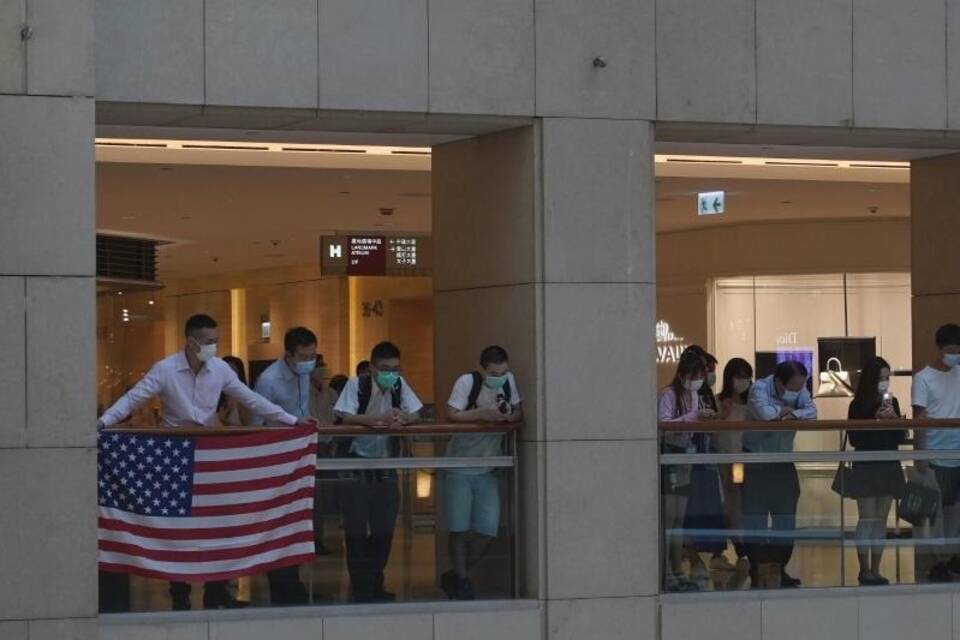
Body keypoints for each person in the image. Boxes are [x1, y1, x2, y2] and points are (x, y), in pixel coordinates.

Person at [97, 314, 314, 611]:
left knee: (217, 519)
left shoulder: (220, 369)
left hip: (212, 451)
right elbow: (135, 398)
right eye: (209, 341)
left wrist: (291, 420)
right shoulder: (165, 369)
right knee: (176, 525)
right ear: (191, 342)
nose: (214, 346)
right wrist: (103, 422)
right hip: (173, 455)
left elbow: (251, 399)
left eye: (216, 340)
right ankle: (179, 593)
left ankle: (215, 590)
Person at [334, 341, 423, 602]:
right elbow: (344, 415)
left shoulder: (398, 385)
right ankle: (361, 587)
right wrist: (374, 421)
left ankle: (374, 581)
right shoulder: (356, 385)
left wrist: (402, 418)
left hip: (385, 467)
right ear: (372, 368)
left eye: (396, 368)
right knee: (356, 532)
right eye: (385, 368)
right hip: (356, 466)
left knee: (384, 531)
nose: (391, 373)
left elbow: (416, 412)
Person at [441, 346, 523, 600]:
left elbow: (519, 411)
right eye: (494, 373)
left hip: (489, 466)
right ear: (483, 369)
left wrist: (509, 418)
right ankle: (463, 580)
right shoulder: (467, 382)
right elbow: (451, 414)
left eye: (503, 372)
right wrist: (481, 414)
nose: (499, 376)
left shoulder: (509, 382)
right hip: (459, 465)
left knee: (488, 530)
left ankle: (455, 574)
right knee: (459, 527)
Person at [251, 327, 321, 604]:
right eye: (304, 356)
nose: (309, 361)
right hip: (275, 458)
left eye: (313, 355)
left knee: (297, 521)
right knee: (277, 524)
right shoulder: (269, 381)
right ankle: (281, 584)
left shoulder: (305, 375)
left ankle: (295, 581)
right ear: (289, 355)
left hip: (300, 456)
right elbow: (256, 425)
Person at [743, 360, 816, 588]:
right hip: (757, 461)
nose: (798, 392)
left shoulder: (798, 387)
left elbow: (812, 412)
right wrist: (792, 413)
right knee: (755, 518)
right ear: (778, 382)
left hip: (783, 462)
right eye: (793, 389)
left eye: (800, 388)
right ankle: (758, 569)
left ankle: (778, 567)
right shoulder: (759, 389)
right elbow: (765, 415)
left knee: (785, 518)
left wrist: (787, 413)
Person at [659, 350, 716, 592]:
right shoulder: (668, 395)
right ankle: (666, 572)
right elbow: (663, 423)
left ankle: (677, 569)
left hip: (686, 458)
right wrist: (693, 417)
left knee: (680, 521)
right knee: (668, 520)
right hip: (671, 457)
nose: (698, 380)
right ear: (682, 374)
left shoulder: (693, 396)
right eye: (694, 375)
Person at [846, 356, 905, 586]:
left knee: (880, 519)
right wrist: (876, 420)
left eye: (887, 378)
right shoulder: (857, 405)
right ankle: (864, 568)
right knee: (867, 517)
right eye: (881, 378)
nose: (885, 382)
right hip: (867, 464)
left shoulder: (893, 402)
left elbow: (900, 436)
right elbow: (855, 438)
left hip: (888, 463)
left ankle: (876, 568)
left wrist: (893, 421)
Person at [912, 323, 960, 582]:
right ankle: (936, 561)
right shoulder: (923, 378)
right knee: (937, 514)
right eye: (952, 351)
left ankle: (952, 556)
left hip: (958, 454)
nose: (956, 356)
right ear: (940, 349)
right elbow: (919, 420)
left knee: (955, 512)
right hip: (936, 456)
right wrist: (920, 456)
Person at [714, 357, 754, 587]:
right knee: (729, 502)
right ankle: (737, 546)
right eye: (739, 377)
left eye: (747, 377)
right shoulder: (721, 403)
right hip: (725, 460)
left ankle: (744, 545)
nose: (744, 382)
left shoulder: (751, 405)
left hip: (744, 461)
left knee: (741, 503)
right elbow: (713, 433)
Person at [310, 353, 339, 556]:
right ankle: (311, 538)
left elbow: (338, 417)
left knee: (324, 498)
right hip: (310, 447)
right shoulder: (303, 392)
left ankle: (320, 536)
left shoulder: (330, 394)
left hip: (328, 447)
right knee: (311, 498)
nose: (322, 370)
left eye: (323, 366)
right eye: (318, 366)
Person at [219, 355, 252, 426]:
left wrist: (222, 420)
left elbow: (248, 428)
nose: (228, 375)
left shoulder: (243, 400)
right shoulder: (215, 395)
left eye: (233, 371)